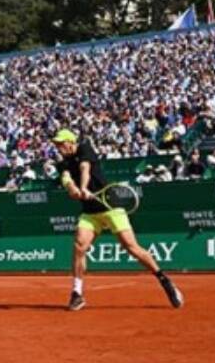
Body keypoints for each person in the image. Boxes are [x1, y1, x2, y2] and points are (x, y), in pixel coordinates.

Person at [53, 129, 182, 311]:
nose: (58, 147)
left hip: (110, 206)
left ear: (70, 141)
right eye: (56, 144)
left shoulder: (84, 148)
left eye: (61, 143)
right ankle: (77, 293)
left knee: (132, 248)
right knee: (79, 246)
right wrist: (73, 190)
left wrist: (83, 187)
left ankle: (164, 280)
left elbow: (85, 168)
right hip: (90, 212)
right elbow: (66, 179)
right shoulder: (63, 163)